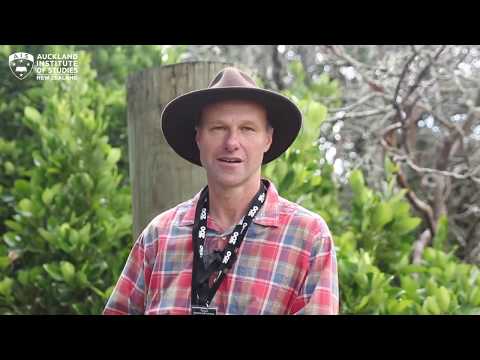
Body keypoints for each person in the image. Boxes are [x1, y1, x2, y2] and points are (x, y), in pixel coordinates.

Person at [103, 66, 339, 315]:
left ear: (267, 139)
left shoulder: (308, 237)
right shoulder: (158, 237)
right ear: (198, 138)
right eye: (218, 128)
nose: (232, 143)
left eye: (247, 129)